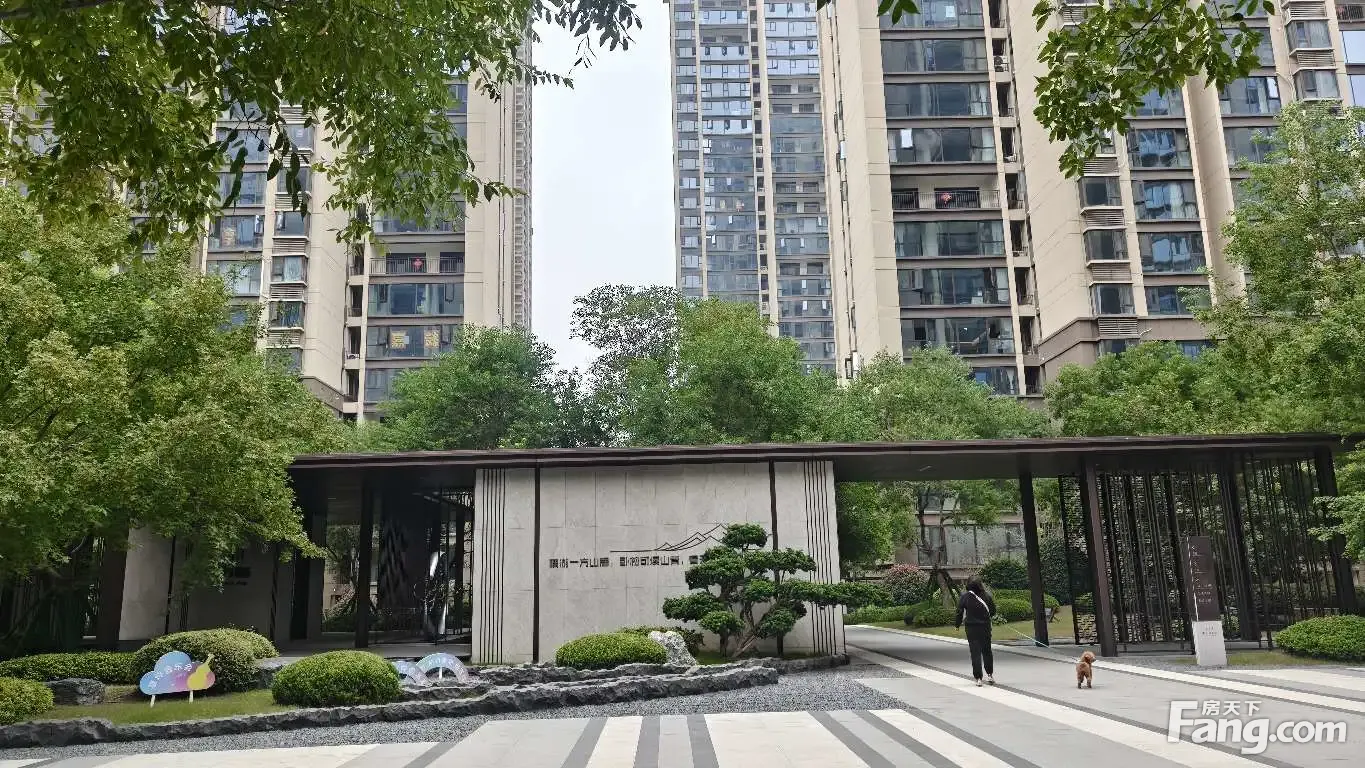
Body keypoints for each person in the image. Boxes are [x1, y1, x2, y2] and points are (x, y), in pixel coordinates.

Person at [955, 575, 997, 686]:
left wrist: (957, 625)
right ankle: (990, 675)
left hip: (971, 628)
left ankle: (978, 678)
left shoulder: (965, 597)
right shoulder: (986, 596)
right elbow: (993, 611)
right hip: (985, 627)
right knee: (987, 651)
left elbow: (959, 612)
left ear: (968, 584)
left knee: (975, 652)